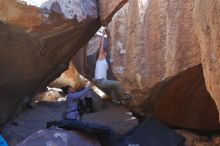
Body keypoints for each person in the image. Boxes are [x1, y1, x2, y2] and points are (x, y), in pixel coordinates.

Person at [94, 29, 125, 104]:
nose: (106, 53)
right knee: (117, 84)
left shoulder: (103, 61)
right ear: (102, 53)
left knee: (112, 87)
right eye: (104, 52)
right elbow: (101, 46)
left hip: (101, 81)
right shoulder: (100, 59)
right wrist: (102, 34)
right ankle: (123, 98)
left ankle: (115, 100)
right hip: (101, 81)